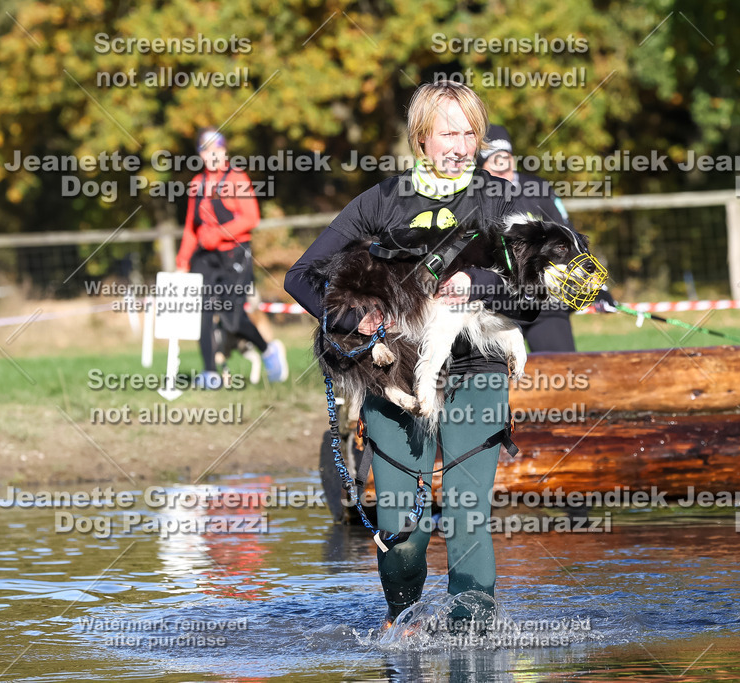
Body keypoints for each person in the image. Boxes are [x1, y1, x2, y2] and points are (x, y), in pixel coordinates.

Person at [284, 82, 537, 630]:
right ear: (422, 138)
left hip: (477, 368)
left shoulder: (503, 198)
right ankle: (405, 626)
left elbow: (540, 295)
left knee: (469, 517)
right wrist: (359, 324)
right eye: (451, 131)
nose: (464, 144)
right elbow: (300, 277)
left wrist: (482, 283)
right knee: (404, 531)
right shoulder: (381, 201)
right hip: (392, 370)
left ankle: (476, 641)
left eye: (472, 132)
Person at [480, 125, 616, 351]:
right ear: (481, 167)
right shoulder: (473, 198)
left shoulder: (537, 188)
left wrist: (596, 287)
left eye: (506, 158)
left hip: (544, 302)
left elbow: (572, 241)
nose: (503, 165)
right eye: (494, 160)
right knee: (497, 382)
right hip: (495, 307)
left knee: (563, 372)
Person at [176, 128, 288, 387]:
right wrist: (182, 260)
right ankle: (209, 373)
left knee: (232, 319)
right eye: (205, 151)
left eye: (215, 150)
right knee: (202, 313)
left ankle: (268, 349)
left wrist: (218, 234)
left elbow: (251, 218)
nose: (211, 155)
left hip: (234, 255)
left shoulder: (236, 179)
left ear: (224, 151)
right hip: (205, 258)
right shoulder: (197, 183)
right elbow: (191, 227)